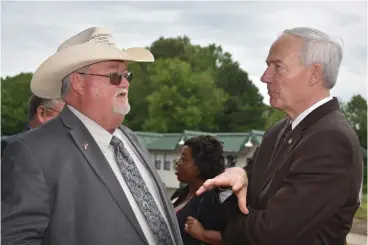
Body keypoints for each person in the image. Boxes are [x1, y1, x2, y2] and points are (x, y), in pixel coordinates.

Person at [2, 27, 183, 245]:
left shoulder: (131, 140)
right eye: (115, 76)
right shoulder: (31, 152)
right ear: (78, 82)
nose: (125, 83)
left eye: (127, 75)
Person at [197, 27, 363, 245]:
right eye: (267, 66)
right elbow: (232, 203)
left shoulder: (331, 140)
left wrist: (231, 222)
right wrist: (236, 177)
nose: (265, 77)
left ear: (314, 73)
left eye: (278, 67)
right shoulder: (278, 131)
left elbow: (272, 234)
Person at [171, 135, 230, 245]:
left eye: (184, 159)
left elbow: (234, 239)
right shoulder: (180, 193)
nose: (177, 162)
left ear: (200, 166)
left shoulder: (215, 201)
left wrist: (203, 234)